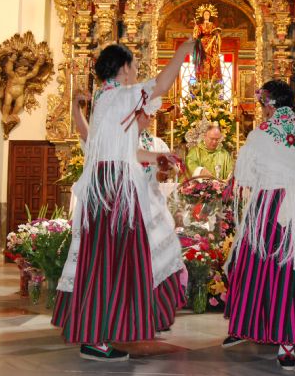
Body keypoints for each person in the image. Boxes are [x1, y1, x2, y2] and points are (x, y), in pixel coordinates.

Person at [52, 40, 194, 362]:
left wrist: (159, 154)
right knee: (111, 259)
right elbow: (161, 84)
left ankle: (98, 332)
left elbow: (125, 152)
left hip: (110, 182)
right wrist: (182, 51)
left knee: (110, 259)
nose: (135, 74)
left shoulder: (107, 97)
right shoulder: (117, 95)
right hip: (114, 188)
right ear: (124, 68)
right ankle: (95, 338)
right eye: (133, 68)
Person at [222, 46, 295, 371]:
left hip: (269, 209)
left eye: (262, 104)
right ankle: (288, 344)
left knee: (261, 268)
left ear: (268, 104)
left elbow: (245, 176)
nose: (261, 111)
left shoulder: (258, 135)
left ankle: (246, 324)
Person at [53, 93, 185, 335]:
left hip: (149, 206)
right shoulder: (114, 139)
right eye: (144, 113)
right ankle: (112, 319)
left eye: (150, 114)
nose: (148, 118)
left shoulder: (155, 144)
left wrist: (163, 171)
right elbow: (87, 136)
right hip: (123, 207)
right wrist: (75, 108)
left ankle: (153, 315)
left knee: (160, 257)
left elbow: (164, 173)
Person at [0, 53, 44, 125]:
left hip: (20, 95)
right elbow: (9, 70)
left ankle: (13, 114)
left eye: (25, 70)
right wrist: (11, 61)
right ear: (16, 69)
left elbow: (33, 73)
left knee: (19, 105)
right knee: (7, 104)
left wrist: (37, 65)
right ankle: (5, 115)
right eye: (21, 69)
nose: (23, 72)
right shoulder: (13, 76)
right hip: (9, 93)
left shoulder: (24, 77)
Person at [193, 5, 222, 81]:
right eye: (205, 14)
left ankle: (212, 77)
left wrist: (216, 36)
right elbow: (196, 36)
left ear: (210, 15)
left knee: (212, 59)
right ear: (202, 16)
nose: (206, 15)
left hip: (211, 44)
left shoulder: (212, 25)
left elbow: (216, 35)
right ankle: (202, 77)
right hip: (203, 44)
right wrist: (196, 29)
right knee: (203, 60)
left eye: (208, 14)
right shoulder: (200, 26)